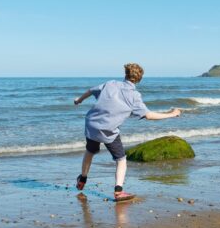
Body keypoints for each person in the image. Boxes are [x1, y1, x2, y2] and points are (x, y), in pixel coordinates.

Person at [73, 63, 181, 201]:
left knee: (90, 151)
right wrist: (171, 114)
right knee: (121, 159)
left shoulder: (110, 83)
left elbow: (91, 90)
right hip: (109, 131)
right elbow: (148, 115)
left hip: (92, 124)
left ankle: (82, 178)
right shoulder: (134, 95)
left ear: (125, 75)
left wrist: (79, 100)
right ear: (139, 79)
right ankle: (118, 191)